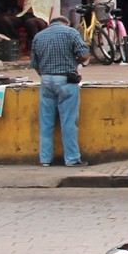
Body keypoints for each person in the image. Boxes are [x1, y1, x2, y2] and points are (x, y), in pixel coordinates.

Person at [29, 16, 89, 167]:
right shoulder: (71, 33)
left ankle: (45, 159)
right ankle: (72, 158)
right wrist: (76, 59)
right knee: (69, 121)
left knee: (46, 122)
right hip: (66, 80)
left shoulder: (39, 36)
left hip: (46, 80)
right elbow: (84, 55)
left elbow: (34, 63)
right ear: (66, 23)